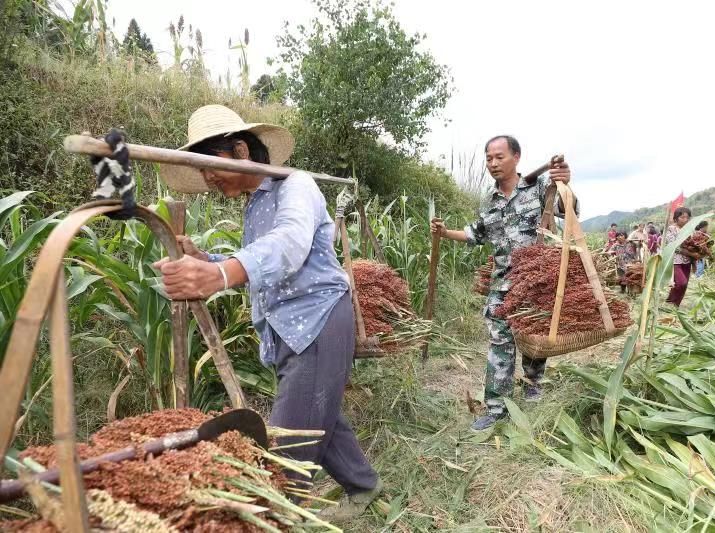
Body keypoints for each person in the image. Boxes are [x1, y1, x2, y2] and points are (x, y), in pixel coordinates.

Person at [152, 105, 381, 522]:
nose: (208, 178)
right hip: (285, 330)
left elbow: (290, 244)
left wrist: (217, 274)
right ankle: (364, 485)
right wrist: (208, 258)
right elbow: (260, 262)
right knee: (317, 412)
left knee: (287, 447)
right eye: (201, 172)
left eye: (210, 165)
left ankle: (273, 516)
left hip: (317, 321)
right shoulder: (255, 204)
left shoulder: (296, 185)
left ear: (240, 149)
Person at [430, 135, 575, 431]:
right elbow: (475, 234)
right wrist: (445, 233)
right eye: (489, 158)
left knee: (533, 337)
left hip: (535, 281)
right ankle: (497, 407)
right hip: (502, 283)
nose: (493, 163)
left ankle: (533, 381)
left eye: (499, 157)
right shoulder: (490, 202)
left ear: (516, 157)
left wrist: (564, 182)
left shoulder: (539, 189)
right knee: (499, 341)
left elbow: (567, 209)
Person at [664, 207, 694, 306]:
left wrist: (694, 256)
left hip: (687, 261)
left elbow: (693, 244)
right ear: (676, 218)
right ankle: (671, 300)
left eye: (687, 217)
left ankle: (676, 304)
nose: (685, 219)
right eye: (682, 217)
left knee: (684, 285)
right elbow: (673, 246)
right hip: (675, 260)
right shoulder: (671, 229)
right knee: (682, 282)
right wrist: (689, 252)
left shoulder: (690, 230)